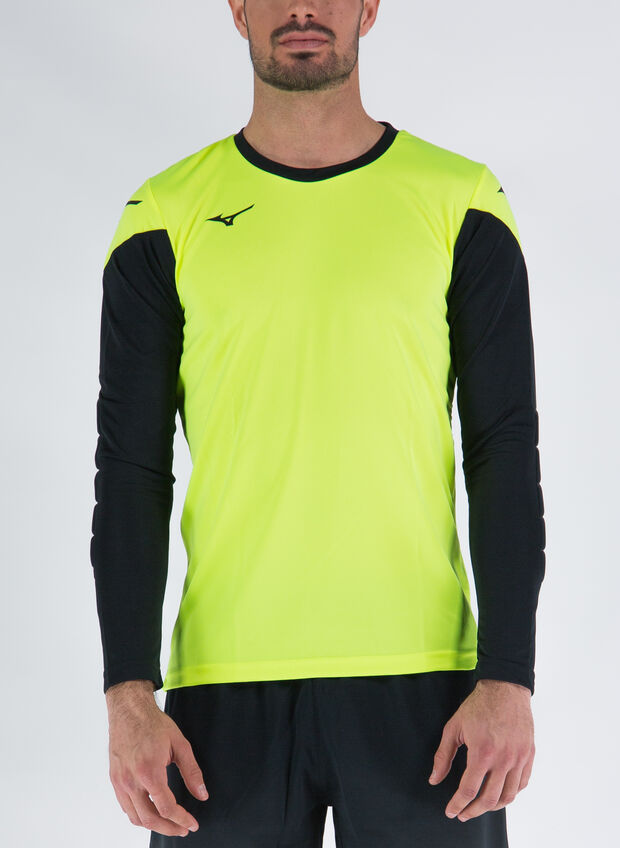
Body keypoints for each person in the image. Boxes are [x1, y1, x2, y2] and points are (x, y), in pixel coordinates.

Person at [90, 1, 546, 845]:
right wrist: (127, 692)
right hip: (221, 696)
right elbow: (131, 471)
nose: (302, 7)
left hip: (429, 690)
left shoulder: (460, 199)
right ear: (237, 9)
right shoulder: (164, 213)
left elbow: (504, 449)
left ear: (369, 6)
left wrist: (509, 677)